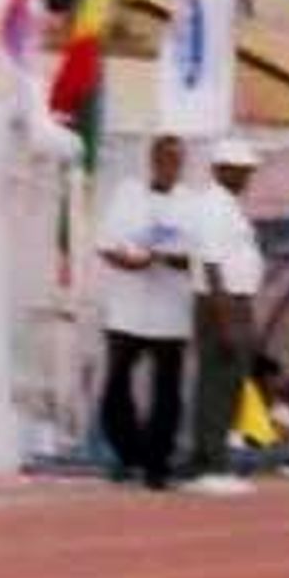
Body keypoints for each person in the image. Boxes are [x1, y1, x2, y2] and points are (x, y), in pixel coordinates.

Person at [90, 135, 196, 490]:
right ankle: (130, 453)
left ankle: (157, 465)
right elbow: (105, 245)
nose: (170, 166)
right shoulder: (128, 195)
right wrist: (128, 262)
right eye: (164, 159)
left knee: (167, 394)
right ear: (152, 160)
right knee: (115, 389)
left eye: (176, 161)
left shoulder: (191, 204)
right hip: (127, 309)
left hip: (171, 313)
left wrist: (166, 258)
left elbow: (200, 257)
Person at [179, 137, 265, 496]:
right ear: (220, 170)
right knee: (218, 384)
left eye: (248, 171)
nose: (247, 177)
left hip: (234, 301)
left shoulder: (227, 206)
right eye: (241, 170)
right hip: (222, 303)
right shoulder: (214, 206)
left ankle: (207, 460)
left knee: (228, 384)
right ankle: (212, 464)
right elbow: (211, 264)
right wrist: (226, 319)